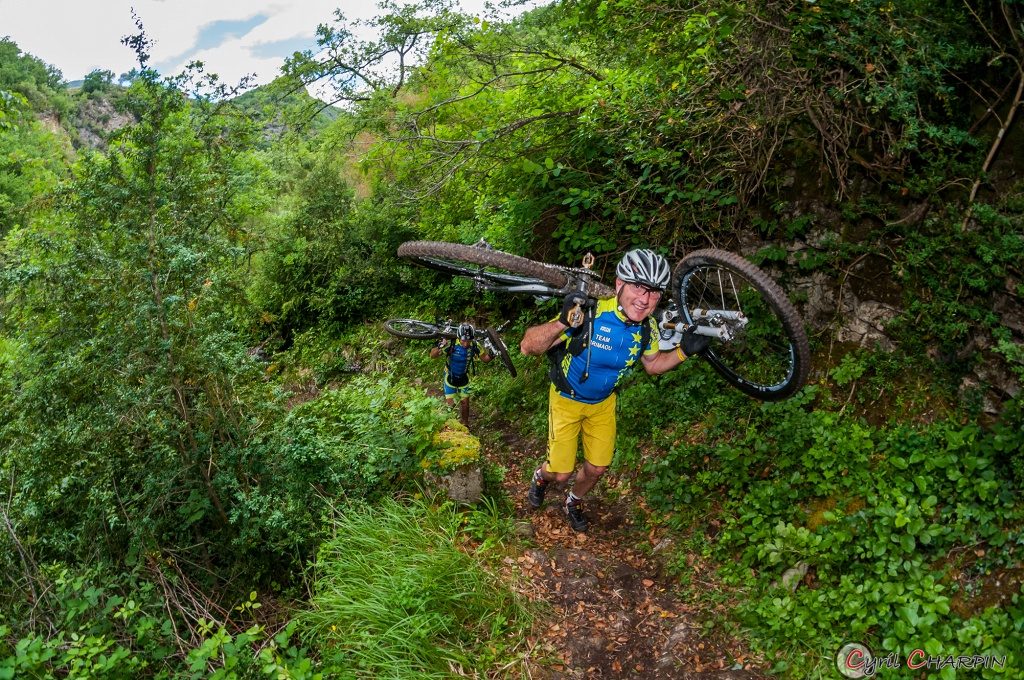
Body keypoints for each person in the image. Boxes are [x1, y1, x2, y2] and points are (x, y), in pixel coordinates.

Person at [519, 249, 711, 532]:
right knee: (560, 473)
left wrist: (685, 351)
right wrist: (562, 321)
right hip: (566, 400)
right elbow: (527, 346)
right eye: (638, 287)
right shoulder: (590, 313)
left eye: (654, 292)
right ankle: (540, 477)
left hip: (603, 405)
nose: (645, 299)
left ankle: (573, 501)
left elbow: (654, 364)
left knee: (597, 467)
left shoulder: (648, 328)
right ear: (620, 284)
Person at [431, 322, 492, 425]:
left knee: (465, 404)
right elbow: (432, 355)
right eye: (464, 340)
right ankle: (447, 426)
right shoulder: (452, 343)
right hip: (450, 377)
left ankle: (465, 424)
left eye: (469, 340)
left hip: (464, 377)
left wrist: (494, 354)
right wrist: (440, 346)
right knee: (451, 405)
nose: (466, 343)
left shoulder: (475, 345)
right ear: (459, 337)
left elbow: (485, 359)